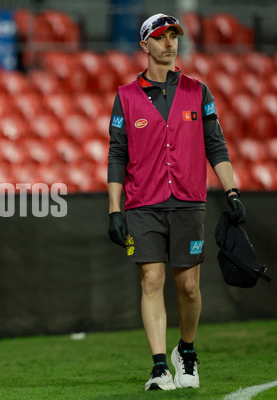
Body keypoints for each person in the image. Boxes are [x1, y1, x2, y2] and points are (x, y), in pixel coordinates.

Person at [106, 14, 247, 391]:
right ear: (144, 45)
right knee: (151, 280)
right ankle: (158, 367)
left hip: (188, 200)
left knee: (188, 286)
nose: (169, 43)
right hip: (142, 203)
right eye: (160, 37)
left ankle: (185, 351)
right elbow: (116, 155)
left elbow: (216, 145)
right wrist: (114, 209)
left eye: (174, 36)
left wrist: (232, 192)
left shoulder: (198, 91)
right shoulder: (125, 96)